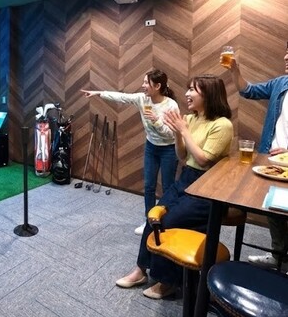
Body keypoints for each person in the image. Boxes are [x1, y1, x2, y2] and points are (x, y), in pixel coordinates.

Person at [116, 75, 233, 299]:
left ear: (208, 94)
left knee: (168, 222)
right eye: (188, 89)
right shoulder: (191, 118)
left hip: (207, 188)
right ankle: (141, 269)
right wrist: (179, 133)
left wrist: (183, 130)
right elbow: (183, 156)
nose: (187, 94)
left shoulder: (222, 125)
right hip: (186, 178)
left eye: (193, 90)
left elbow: (203, 160)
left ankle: (168, 282)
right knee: (154, 216)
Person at [81, 69, 179, 235]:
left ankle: (166, 222)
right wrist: (98, 93)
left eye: (146, 83)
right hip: (151, 147)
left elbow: (172, 134)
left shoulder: (170, 105)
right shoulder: (142, 99)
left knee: (168, 188)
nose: (143, 85)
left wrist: (156, 121)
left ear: (157, 86)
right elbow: (122, 97)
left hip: (169, 149)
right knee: (149, 186)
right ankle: (149, 222)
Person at [226, 50, 288, 269]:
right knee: (273, 210)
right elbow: (248, 91)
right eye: (286, 53)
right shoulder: (281, 83)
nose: (285, 57)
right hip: (272, 160)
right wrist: (235, 71)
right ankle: (278, 255)